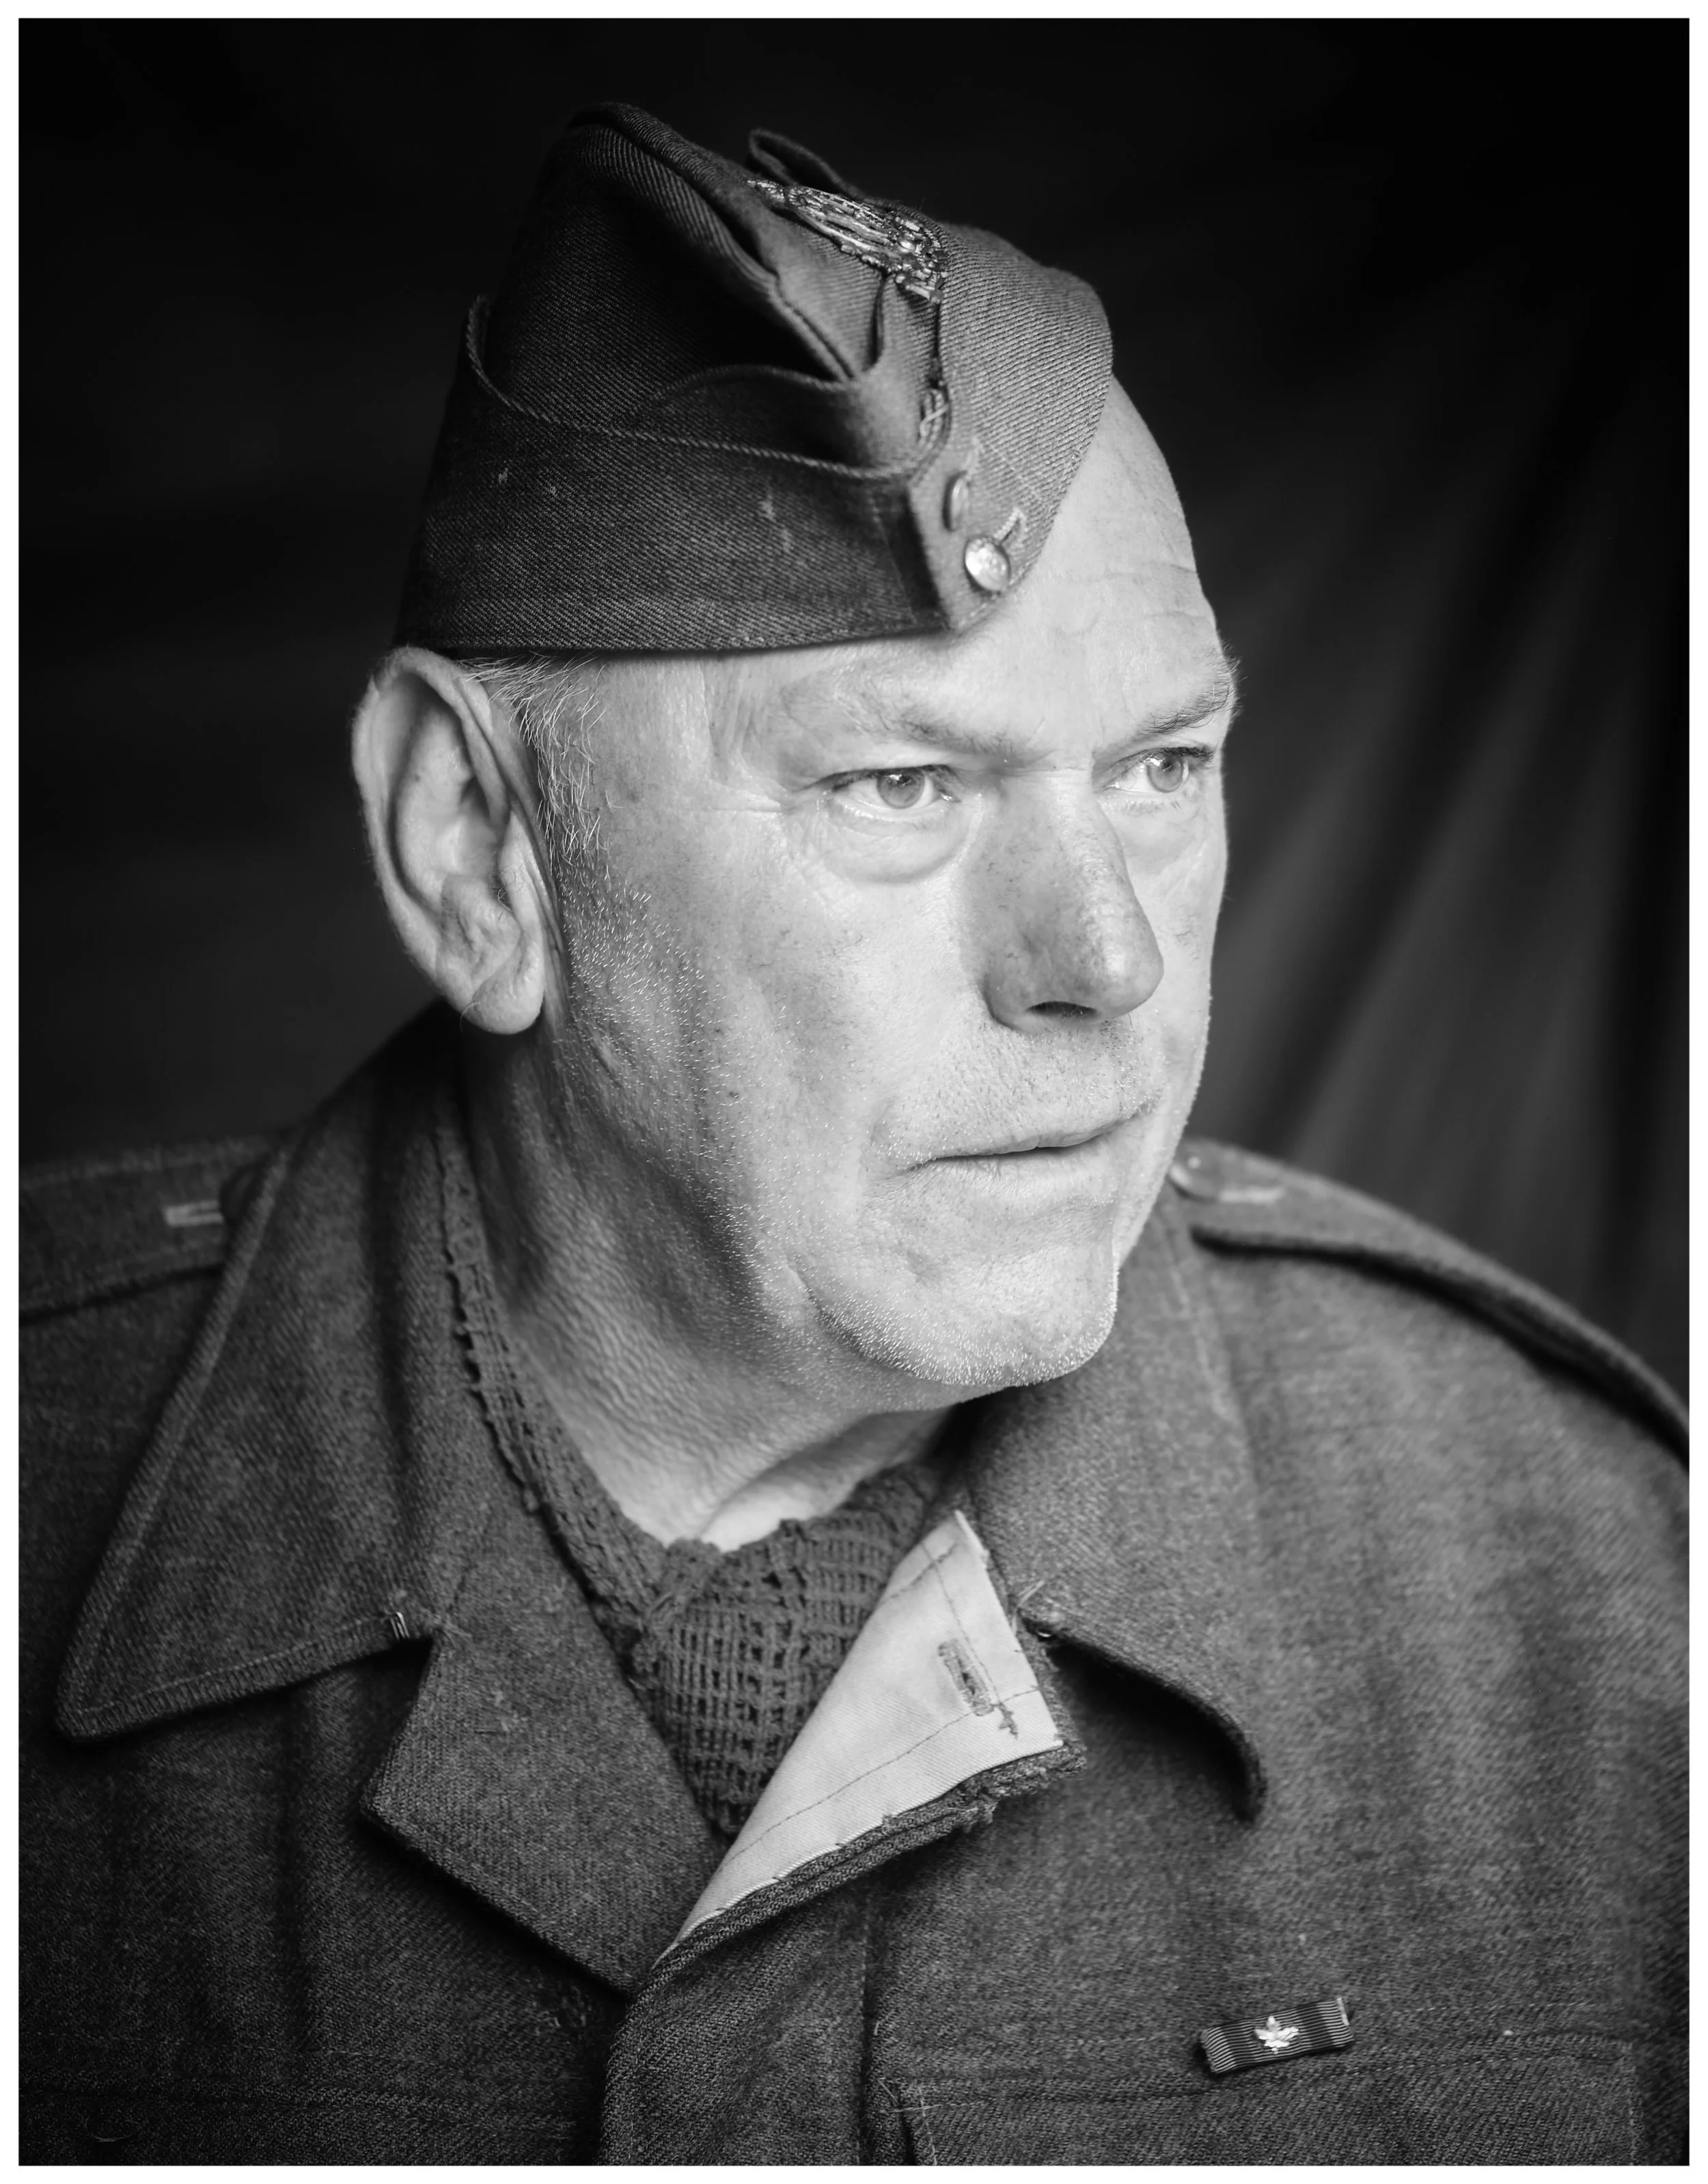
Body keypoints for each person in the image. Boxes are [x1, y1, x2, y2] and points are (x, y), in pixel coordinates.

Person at [20, 103, 1683, 2165]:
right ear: (475, 852)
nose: (1105, 964)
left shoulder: (1606, 1607)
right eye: (898, 783)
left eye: (1161, 765)